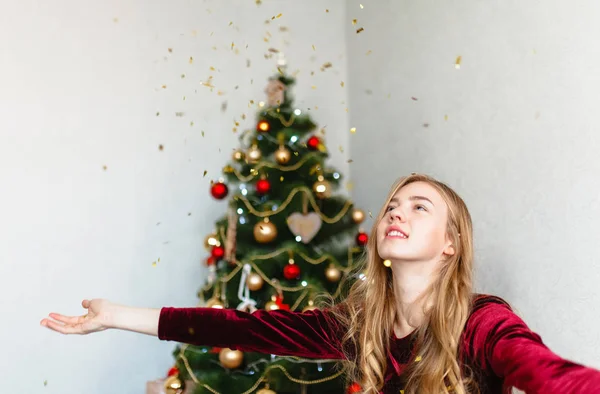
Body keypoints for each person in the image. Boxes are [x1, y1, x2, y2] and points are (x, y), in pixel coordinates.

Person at [40, 173, 600, 394]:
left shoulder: (481, 322)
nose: (395, 214)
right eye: (391, 207)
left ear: (451, 243)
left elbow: (543, 370)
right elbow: (244, 326)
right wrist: (116, 315)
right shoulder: (359, 324)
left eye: (419, 206)